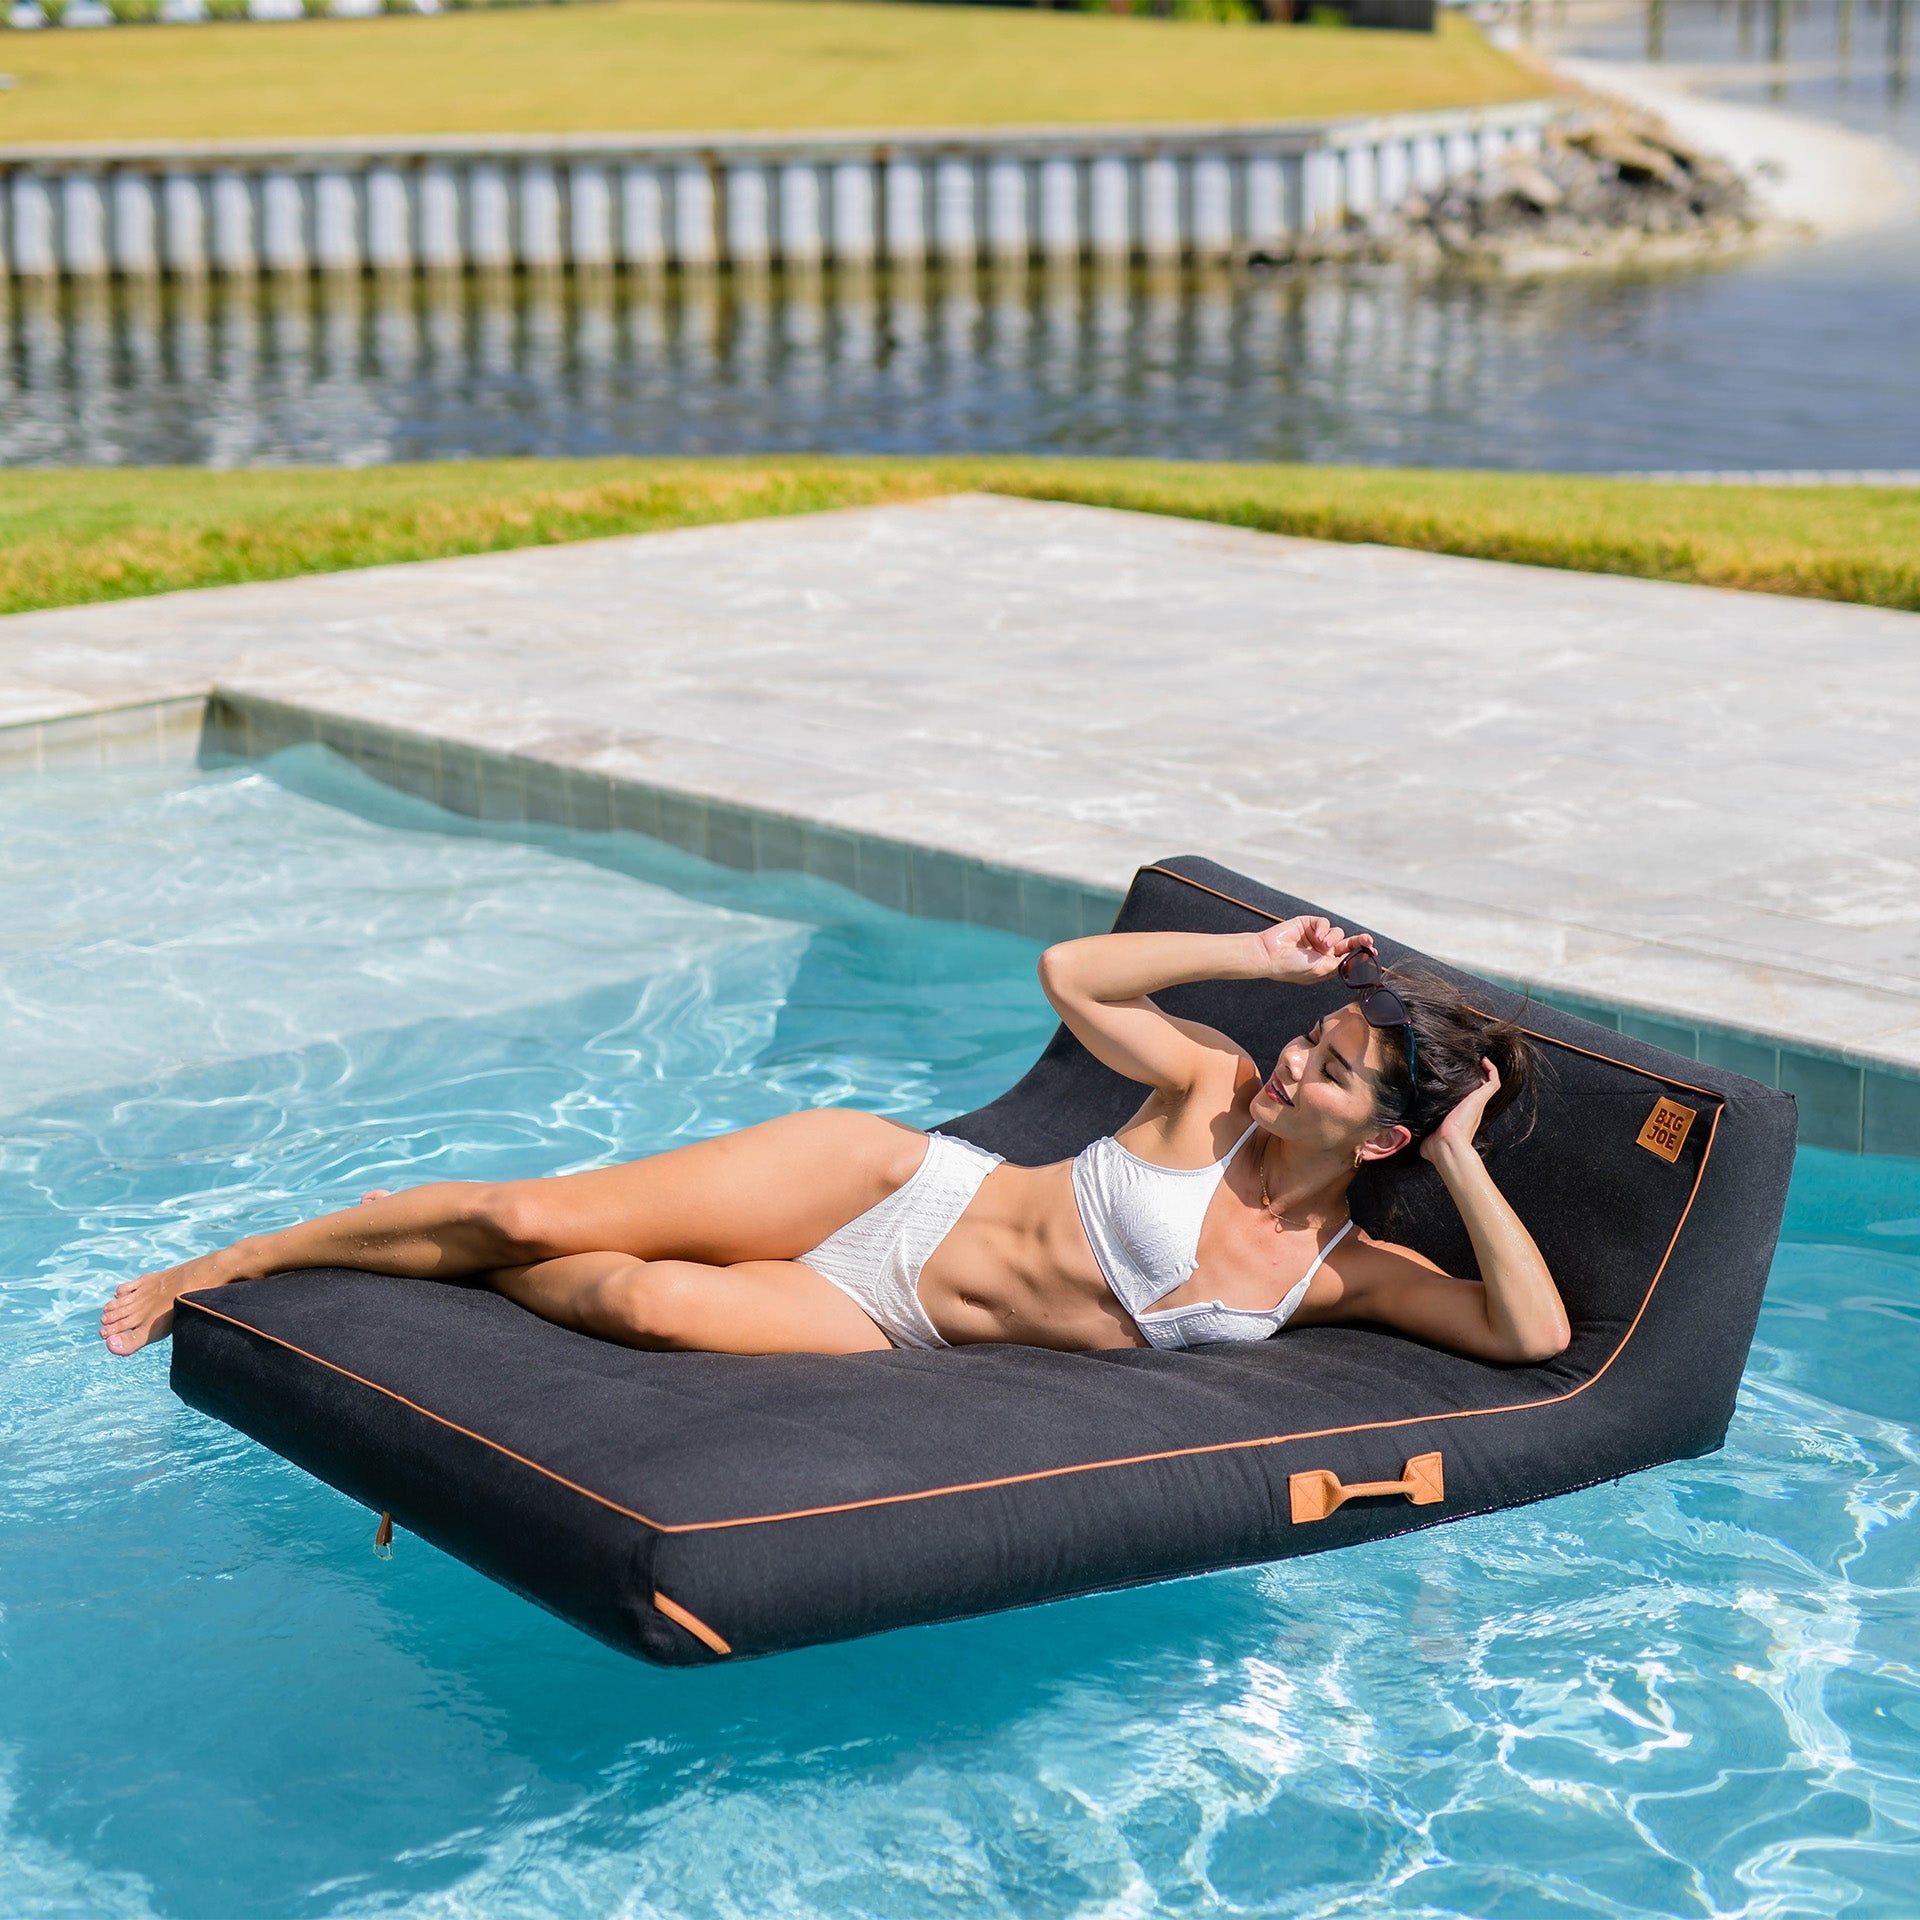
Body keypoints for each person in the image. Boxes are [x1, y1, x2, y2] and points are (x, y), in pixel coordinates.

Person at [99, 918, 1570, 1365]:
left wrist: (1464, 1162)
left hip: (890, 1320)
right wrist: (1254, 955)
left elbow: (1530, 1334)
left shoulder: (1342, 1270)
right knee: (546, 1221)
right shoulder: (1209, 1077)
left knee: (636, 1297)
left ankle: (427, 1234)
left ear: (1385, 1140)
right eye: (1311, 1039)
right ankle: (241, 1255)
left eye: (1328, 1074)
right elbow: (1070, 975)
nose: (1292, 1067)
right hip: (894, 1185)